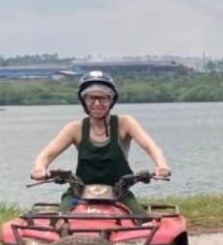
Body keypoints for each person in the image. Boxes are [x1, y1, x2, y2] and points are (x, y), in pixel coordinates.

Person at [30, 70, 171, 214]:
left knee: (143, 225)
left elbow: (150, 146)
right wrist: (40, 168)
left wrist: (161, 166)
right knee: (59, 223)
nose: (97, 103)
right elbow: (47, 153)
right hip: (79, 193)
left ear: (111, 100)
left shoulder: (125, 123)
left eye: (103, 98)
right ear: (83, 101)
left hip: (118, 193)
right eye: (91, 98)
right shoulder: (75, 128)